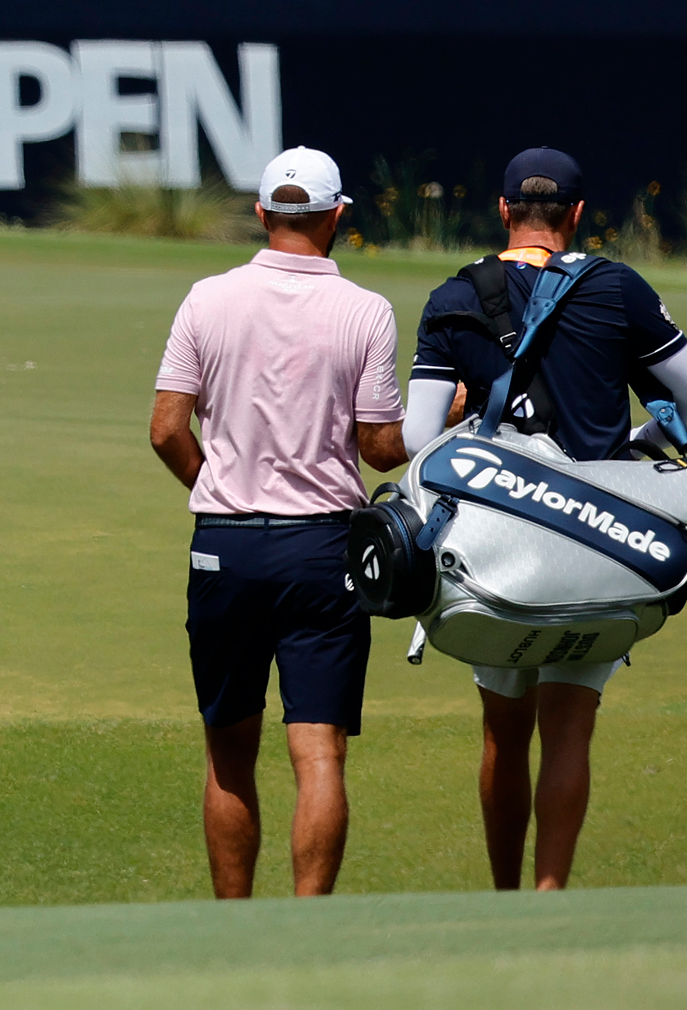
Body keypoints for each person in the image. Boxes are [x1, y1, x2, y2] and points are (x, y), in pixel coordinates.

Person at [401, 148, 687, 893]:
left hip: (496, 549)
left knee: (502, 735)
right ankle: (550, 899)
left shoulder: (454, 295)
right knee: (570, 731)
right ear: (576, 215)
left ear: (503, 210)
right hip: (597, 543)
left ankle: (505, 897)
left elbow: (417, 442)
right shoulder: (619, 287)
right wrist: (630, 448)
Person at [150, 147, 409, 900]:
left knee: (228, 752)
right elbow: (378, 448)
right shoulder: (366, 310)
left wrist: (217, 489)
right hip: (324, 549)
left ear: (262, 214)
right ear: (338, 217)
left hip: (225, 546)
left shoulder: (206, 298)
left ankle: (236, 928)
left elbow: (166, 429)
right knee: (319, 754)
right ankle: (306, 930)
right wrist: (447, 414)